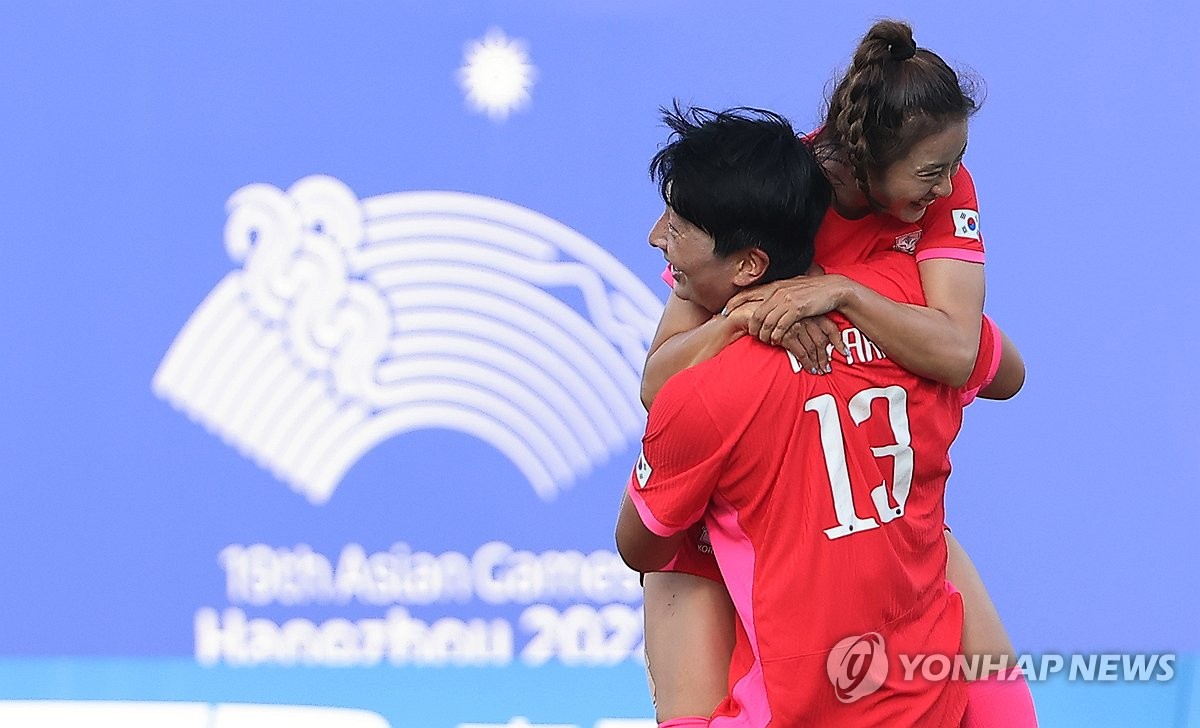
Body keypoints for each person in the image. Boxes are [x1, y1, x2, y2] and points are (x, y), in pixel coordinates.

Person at [638, 19, 1036, 728]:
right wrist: (743, 318)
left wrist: (846, 297)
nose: (947, 187)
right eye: (928, 173)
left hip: (860, 511)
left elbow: (977, 357)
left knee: (923, 553)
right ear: (858, 162)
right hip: (725, 510)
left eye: (953, 167)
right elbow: (658, 387)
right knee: (683, 559)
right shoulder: (760, 197)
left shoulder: (932, 211)